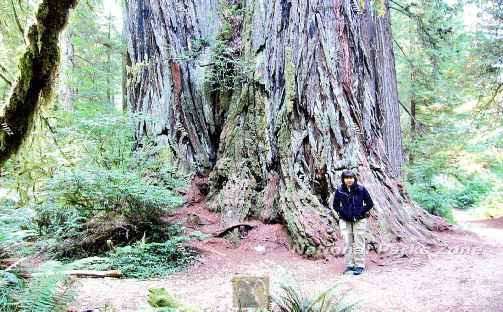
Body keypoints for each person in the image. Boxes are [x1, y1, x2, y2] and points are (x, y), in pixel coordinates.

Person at [330, 170, 374, 275]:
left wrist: (360, 211)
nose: (349, 180)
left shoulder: (361, 189)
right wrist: (343, 213)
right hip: (345, 220)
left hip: (359, 220)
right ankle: (350, 265)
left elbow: (370, 203)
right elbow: (335, 205)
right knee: (347, 242)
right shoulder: (339, 190)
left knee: (359, 242)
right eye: (346, 178)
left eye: (351, 178)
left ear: (354, 178)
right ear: (343, 179)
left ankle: (359, 265)